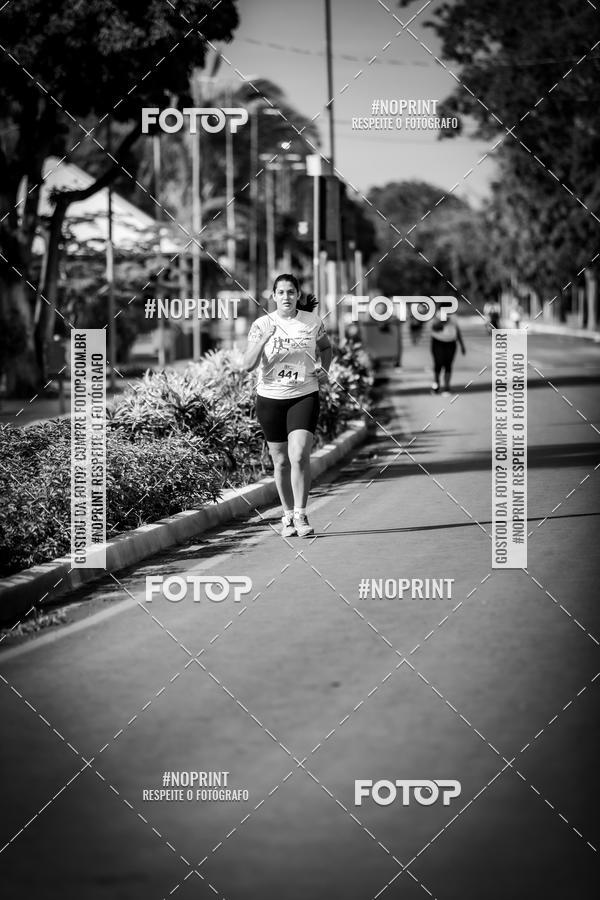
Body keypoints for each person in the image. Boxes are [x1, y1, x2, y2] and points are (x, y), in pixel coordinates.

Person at [242, 274, 332, 537]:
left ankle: (301, 515)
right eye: (280, 292)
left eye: (291, 292)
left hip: (304, 394)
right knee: (280, 461)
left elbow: (326, 348)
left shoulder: (312, 322)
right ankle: (288, 515)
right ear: (273, 296)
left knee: (300, 454)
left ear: (298, 295)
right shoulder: (261, 324)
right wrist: (263, 339)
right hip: (270, 398)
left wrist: (325, 369)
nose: (286, 297)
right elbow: (247, 365)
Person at [430, 312, 466, 395]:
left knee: (448, 364)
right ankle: (436, 383)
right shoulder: (437, 314)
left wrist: (462, 345)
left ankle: (447, 386)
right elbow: (434, 328)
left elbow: (457, 330)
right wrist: (443, 321)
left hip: (451, 342)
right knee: (438, 363)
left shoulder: (454, 316)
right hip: (438, 341)